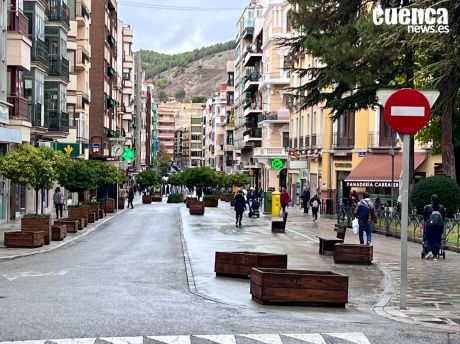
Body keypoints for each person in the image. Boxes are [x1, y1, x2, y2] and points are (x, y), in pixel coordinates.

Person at [422, 194, 446, 260]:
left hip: (430, 225)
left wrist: (427, 222)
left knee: (428, 239)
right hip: (439, 226)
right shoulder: (442, 207)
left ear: (431, 200)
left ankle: (429, 251)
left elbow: (424, 217)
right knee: (437, 239)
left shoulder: (427, 207)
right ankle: (435, 255)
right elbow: (443, 218)